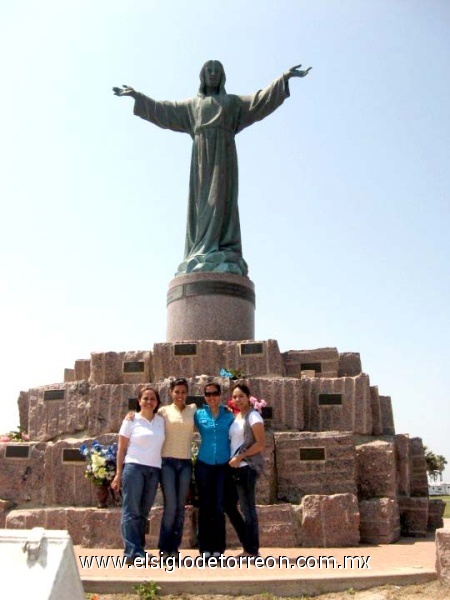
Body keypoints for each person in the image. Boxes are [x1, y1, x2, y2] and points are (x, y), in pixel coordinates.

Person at [113, 60, 311, 276]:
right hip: (201, 162)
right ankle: (201, 250)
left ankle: (224, 248)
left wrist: (283, 79)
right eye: (209, 70)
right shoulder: (192, 106)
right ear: (202, 75)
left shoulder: (231, 103)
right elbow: (164, 110)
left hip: (224, 158)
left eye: (217, 70)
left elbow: (259, 100)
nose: (213, 73)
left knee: (223, 200)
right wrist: (137, 97)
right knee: (203, 204)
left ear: (223, 76)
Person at [111, 385, 165, 564]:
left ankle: (138, 550)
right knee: (131, 511)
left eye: (152, 399)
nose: (149, 402)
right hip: (134, 467)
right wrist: (118, 473)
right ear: (139, 401)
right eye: (145, 398)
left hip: (153, 469)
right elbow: (121, 449)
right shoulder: (131, 420)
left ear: (157, 403)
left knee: (143, 512)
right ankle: (131, 552)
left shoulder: (160, 421)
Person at [194, 381, 234, 558]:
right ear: (204, 397)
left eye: (215, 393)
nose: (211, 397)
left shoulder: (229, 415)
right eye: (208, 394)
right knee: (205, 507)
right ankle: (205, 548)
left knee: (218, 506)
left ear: (220, 395)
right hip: (204, 463)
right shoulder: (198, 414)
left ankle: (218, 548)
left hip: (223, 466)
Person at [157, 377, 196, 557]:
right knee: (171, 506)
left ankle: (174, 548)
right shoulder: (163, 411)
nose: (180, 395)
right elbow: (146, 418)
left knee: (181, 507)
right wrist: (131, 415)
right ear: (171, 393)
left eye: (183, 392)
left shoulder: (193, 409)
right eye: (177, 392)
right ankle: (165, 548)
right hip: (168, 463)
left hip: (186, 463)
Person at [228, 382, 265, 558]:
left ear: (248, 398)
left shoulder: (253, 417)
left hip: (246, 467)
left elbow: (260, 444)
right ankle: (247, 543)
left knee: (248, 508)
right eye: (234, 397)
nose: (237, 399)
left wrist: (241, 457)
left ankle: (252, 550)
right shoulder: (236, 417)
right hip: (235, 468)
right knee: (228, 505)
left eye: (241, 396)